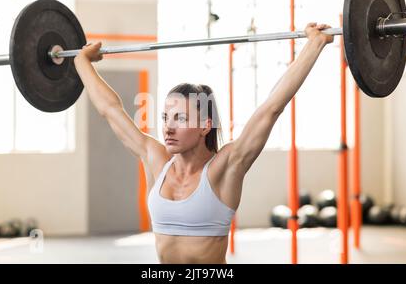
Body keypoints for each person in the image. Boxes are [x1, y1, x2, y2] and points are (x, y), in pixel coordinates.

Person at [74, 22, 334, 264]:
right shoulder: (155, 159)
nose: (168, 127)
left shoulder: (225, 167)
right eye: (166, 117)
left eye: (181, 118)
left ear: (205, 126)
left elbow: (271, 108)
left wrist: (315, 44)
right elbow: (110, 110)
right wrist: (82, 62)